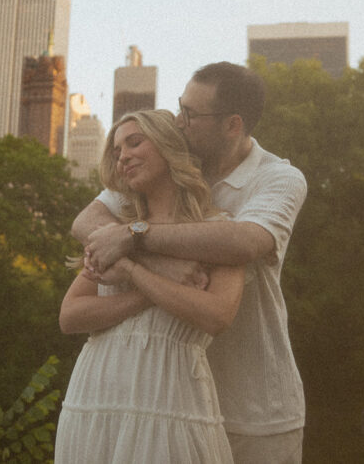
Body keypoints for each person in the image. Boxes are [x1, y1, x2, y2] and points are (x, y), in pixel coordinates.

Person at [74, 61, 308, 464]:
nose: (179, 122)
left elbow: (244, 241)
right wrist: (160, 267)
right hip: (169, 400)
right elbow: (88, 221)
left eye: (191, 114)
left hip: (255, 410)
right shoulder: (167, 164)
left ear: (233, 124)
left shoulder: (278, 178)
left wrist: (135, 239)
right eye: (180, 108)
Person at [54, 109, 244, 463]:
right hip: (96, 399)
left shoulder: (216, 232)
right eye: (116, 151)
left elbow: (217, 315)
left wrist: (129, 269)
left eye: (134, 142)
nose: (123, 155)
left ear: (168, 145)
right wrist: (147, 283)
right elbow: (71, 315)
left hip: (169, 400)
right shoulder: (115, 232)